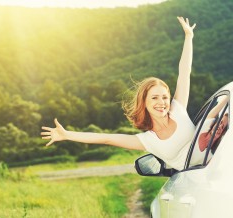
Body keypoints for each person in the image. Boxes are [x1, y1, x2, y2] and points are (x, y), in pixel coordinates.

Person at [41, 17, 196, 170]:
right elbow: (106, 138)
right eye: (154, 98)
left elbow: (184, 72)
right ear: (144, 102)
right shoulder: (148, 141)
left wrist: (189, 37)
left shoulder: (178, 109)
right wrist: (68, 135)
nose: (161, 102)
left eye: (164, 97)